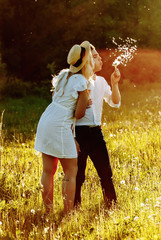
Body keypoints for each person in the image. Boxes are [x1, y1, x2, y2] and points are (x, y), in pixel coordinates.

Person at [34, 41, 93, 214]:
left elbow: (56, 100)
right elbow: (79, 114)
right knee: (71, 170)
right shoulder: (82, 82)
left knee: (48, 170)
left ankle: (48, 211)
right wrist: (86, 103)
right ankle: (68, 214)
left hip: (46, 119)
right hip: (59, 124)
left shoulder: (63, 76)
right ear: (86, 62)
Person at [74, 44, 121, 208]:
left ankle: (112, 205)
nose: (100, 58)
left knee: (106, 172)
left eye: (99, 56)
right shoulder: (78, 81)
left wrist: (114, 83)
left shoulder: (101, 81)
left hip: (96, 133)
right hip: (78, 133)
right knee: (78, 175)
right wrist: (72, 137)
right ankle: (74, 208)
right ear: (86, 62)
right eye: (94, 57)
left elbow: (114, 102)